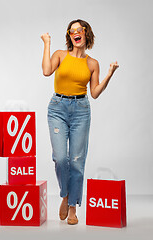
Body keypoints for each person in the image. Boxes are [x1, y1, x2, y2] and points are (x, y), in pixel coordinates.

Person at [41, 19, 119, 225]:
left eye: (79, 29)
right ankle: (65, 194)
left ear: (86, 34)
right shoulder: (60, 54)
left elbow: (94, 93)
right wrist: (47, 43)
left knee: (76, 161)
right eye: (72, 30)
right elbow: (47, 71)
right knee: (60, 158)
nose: (76, 32)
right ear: (69, 35)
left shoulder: (92, 63)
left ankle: (73, 206)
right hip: (57, 108)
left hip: (81, 111)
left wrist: (109, 74)